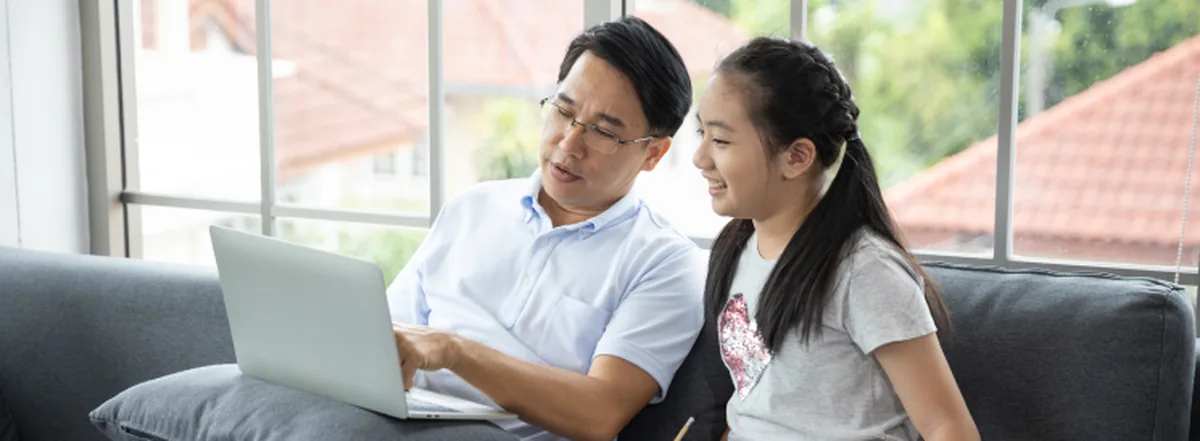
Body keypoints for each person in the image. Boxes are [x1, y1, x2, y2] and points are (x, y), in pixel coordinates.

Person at [385, 16, 705, 441]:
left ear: (653, 153)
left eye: (604, 132)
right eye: (563, 111)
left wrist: (453, 351)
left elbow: (599, 413)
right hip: (400, 418)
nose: (568, 144)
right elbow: (391, 338)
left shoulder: (665, 264)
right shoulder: (472, 208)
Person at [692, 37, 980, 441]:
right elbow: (755, 408)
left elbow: (948, 427)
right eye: (701, 133)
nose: (699, 158)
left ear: (797, 157)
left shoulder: (864, 272)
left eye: (720, 140)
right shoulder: (735, 248)